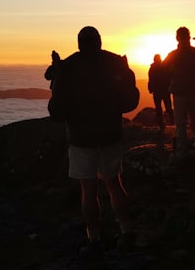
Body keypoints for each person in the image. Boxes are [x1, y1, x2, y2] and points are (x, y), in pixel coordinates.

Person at [47, 26, 137, 252]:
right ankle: (126, 231)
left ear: (79, 43)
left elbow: (56, 111)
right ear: (99, 41)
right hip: (109, 135)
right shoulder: (115, 63)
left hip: (80, 138)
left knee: (88, 190)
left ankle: (94, 238)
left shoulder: (68, 67)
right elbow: (129, 103)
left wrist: (58, 77)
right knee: (115, 184)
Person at [162, 26, 195, 157]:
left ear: (177, 38)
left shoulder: (173, 55)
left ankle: (182, 152)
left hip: (178, 92)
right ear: (189, 37)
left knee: (180, 125)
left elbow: (163, 69)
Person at [147, 53, 173, 132]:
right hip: (165, 90)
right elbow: (169, 76)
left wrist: (150, 88)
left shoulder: (152, 68)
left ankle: (161, 124)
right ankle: (172, 122)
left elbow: (151, 79)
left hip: (157, 91)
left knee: (159, 108)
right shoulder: (164, 66)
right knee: (168, 107)